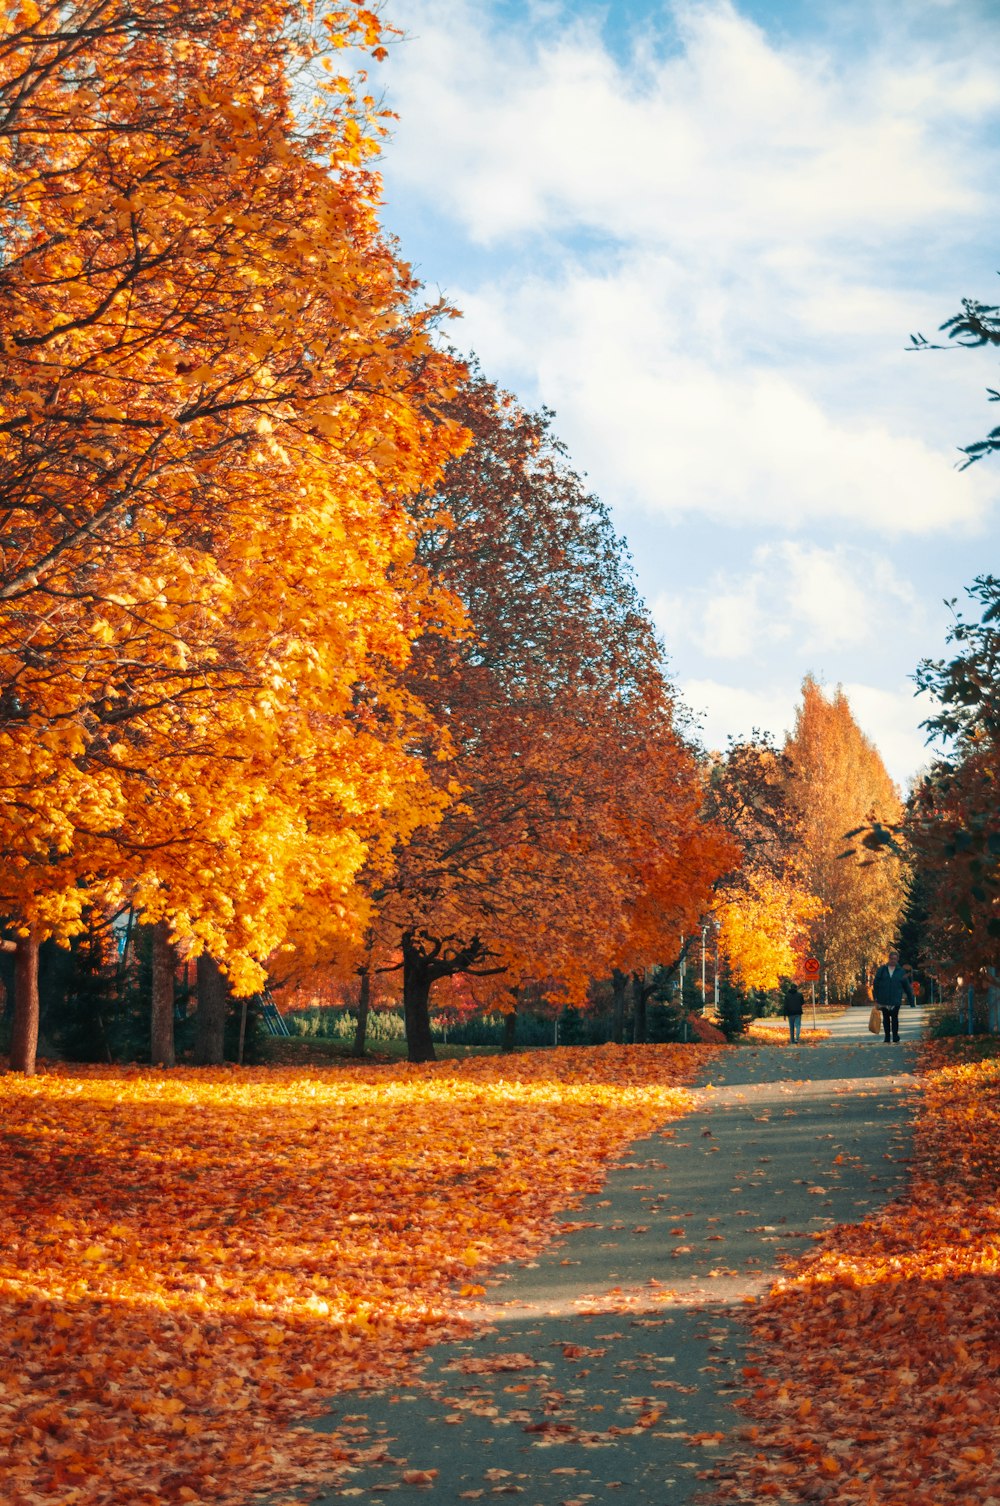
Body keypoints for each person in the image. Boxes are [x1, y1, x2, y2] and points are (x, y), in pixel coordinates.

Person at [871, 948, 915, 1042]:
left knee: (895, 1018)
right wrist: (876, 997)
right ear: (889, 959)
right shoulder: (882, 970)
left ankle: (895, 1036)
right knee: (886, 1018)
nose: (893, 961)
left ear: (897, 959)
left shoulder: (901, 971)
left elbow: (906, 986)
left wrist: (912, 1001)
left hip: (895, 999)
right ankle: (887, 1037)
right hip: (884, 999)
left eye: (895, 959)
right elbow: (876, 984)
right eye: (891, 959)